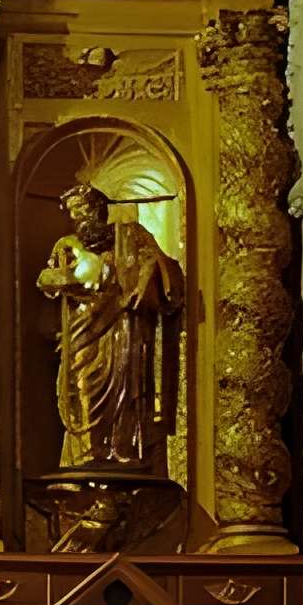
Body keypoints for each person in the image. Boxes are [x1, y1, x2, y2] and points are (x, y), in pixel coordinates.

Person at [37, 185, 183, 470]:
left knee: (125, 387)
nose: (78, 216)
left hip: (125, 329)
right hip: (83, 330)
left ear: (98, 208)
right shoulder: (67, 245)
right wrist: (68, 278)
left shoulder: (130, 235)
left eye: (82, 208)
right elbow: (46, 278)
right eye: (73, 212)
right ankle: (85, 455)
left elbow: (165, 269)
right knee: (81, 384)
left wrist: (144, 278)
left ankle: (121, 449)